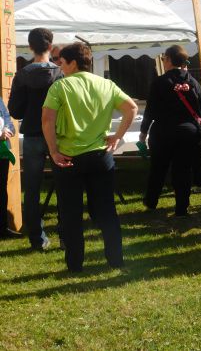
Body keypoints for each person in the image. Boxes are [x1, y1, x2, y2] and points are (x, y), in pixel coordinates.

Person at [42, 42, 137, 272]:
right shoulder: (106, 84)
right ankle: (116, 259)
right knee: (107, 211)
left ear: (73, 63)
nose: (60, 67)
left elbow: (47, 120)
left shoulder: (60, 86)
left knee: (71, 213)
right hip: (100, 156)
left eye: (62, 62)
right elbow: (132, 108)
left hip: (68, 157)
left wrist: (53, 150)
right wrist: (117, 136)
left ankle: (75, 264)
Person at [8, 28, 62, 251]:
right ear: (50, 46)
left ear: (30, 47)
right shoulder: (60, 74)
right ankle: (66, 235)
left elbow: (14, 110)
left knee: (31, 188)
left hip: (32, 134)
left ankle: (37, 239)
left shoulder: (22, 75)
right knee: (64, 185)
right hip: (57, 135)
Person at [140, 45, 201, 217]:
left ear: (169, 60)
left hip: (163, 132)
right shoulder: (193, 82)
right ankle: (182, 208)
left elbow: (150, 110)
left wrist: (143, 132)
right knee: (183, 170)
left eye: (164, 58)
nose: (163, 61)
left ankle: (151, 201)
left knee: (158, 168)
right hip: (188, 133)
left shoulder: (159, 82)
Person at [0, 98, 17, 238]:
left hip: (3, 152)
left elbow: (9, 121)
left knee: (1, 189)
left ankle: (2, 228)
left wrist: (8, 130)